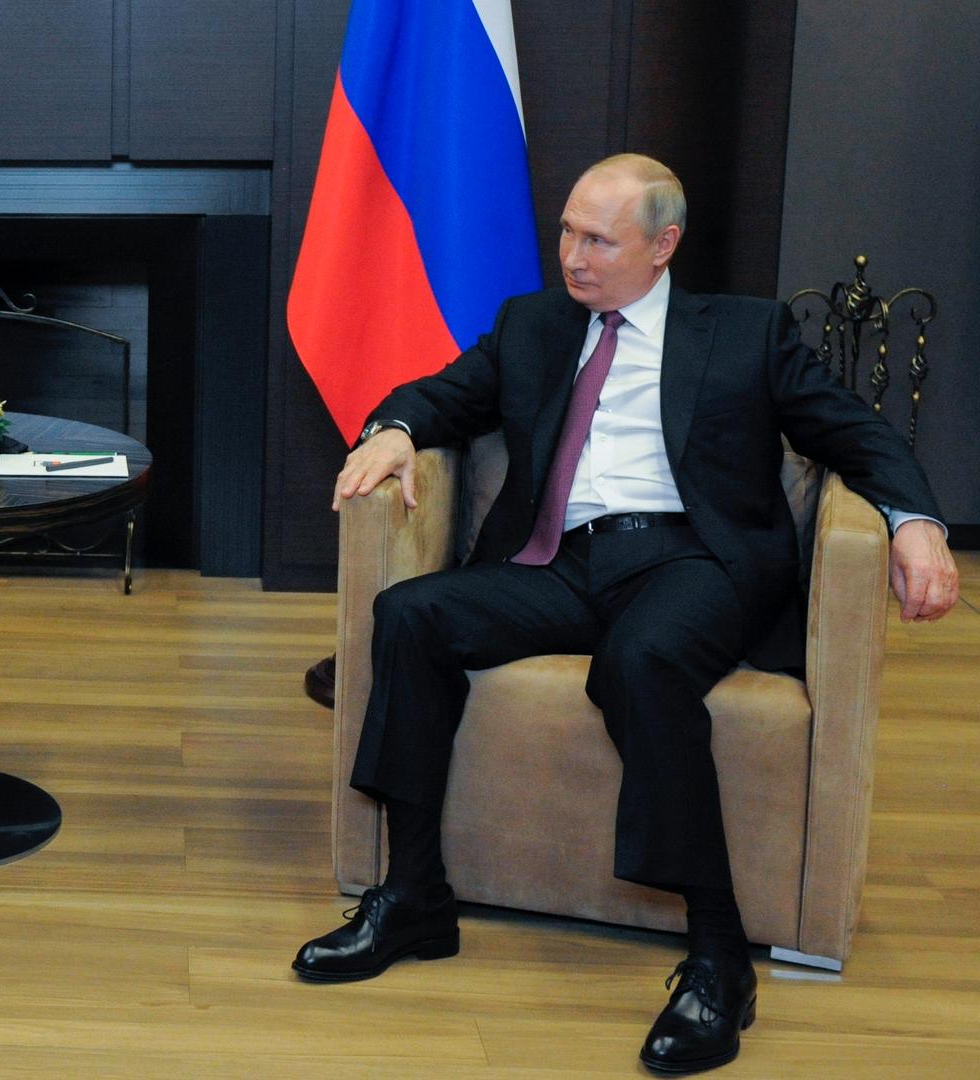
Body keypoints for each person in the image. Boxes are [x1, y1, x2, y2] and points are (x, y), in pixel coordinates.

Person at [292, 154, 958, 1074]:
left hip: (690, 559)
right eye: (566, 230)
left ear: (664, 245)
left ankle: (719, 958)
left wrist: (915, 524)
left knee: (640, 665)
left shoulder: (745, 333)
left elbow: (857, 432)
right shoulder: (532, 325)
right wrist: (396, 430)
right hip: (558, 560)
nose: (573, 255)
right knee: (409, 615)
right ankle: (412, 899)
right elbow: (440, 395)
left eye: (598, 239)